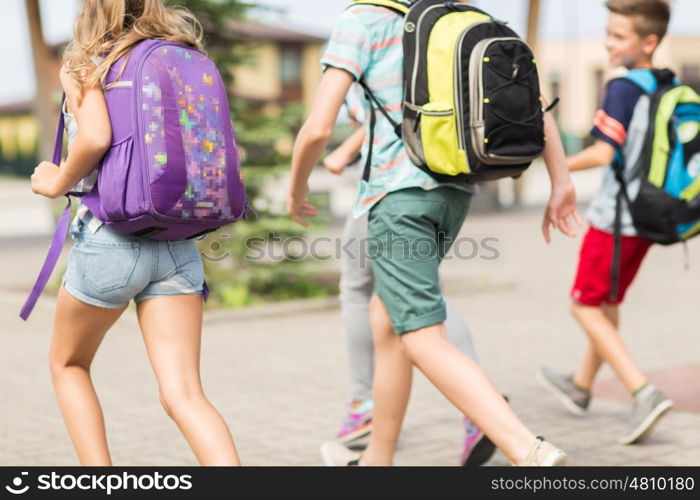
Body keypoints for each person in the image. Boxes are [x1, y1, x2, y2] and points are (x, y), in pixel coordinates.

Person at [288, 1, 580, 466]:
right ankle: (376, 460)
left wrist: (297, 188)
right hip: (454, 195)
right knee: (387, 321)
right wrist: (561, 183)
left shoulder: (361, 21)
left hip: (397, 200)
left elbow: (318, 126)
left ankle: (524, 446)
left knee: (422, 335)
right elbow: (534, 103)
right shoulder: (459, 16)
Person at [29, 0, 239, 466]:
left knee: (69, 364)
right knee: (184, 393)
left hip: (112, 239)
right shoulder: (184, 53)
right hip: (178, 242)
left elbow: (95, 137)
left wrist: (56, 180)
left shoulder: (87, 62)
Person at [324, 94, 496, 466]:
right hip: (449, 178)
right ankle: (478, 410)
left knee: (357, 287)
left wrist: (338, 154)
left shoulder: (372, 33)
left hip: (391, 182)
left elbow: (380, 111)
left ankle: (364, 405)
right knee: (421, 291)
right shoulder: (435, 34)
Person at [538, 0, 673, 445]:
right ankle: (580, 386)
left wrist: (554, 167)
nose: (608, 42)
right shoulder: (664, 82)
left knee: (583, 305)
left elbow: (602, 153)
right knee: (605, 302)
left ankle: (643, 390)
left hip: (615, 220)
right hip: (650, 218)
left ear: (648, 41)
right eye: (608, 32)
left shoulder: (622, 88)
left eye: (619, 36)